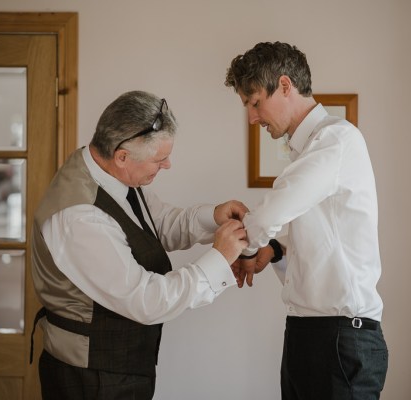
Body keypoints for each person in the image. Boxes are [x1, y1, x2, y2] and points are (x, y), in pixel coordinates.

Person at [30, 90, 248, 400]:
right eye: (160, 159)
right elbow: (146, 300)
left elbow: (156, 225)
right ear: (121, 156)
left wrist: (214, 217)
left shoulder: (112, 175)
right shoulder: (80, 218)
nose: (168, 165)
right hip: (91, 379)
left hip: (122, 368)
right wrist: (218, 260)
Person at [225, 42, 388, 400]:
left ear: (285, 85)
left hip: (341, 341)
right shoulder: (310, 150)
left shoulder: (336, 140)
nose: (253, 118)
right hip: (308, 335)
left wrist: (237, 249)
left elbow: (270, 212)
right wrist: (273, 251)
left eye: (254, 103)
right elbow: (321, 237)